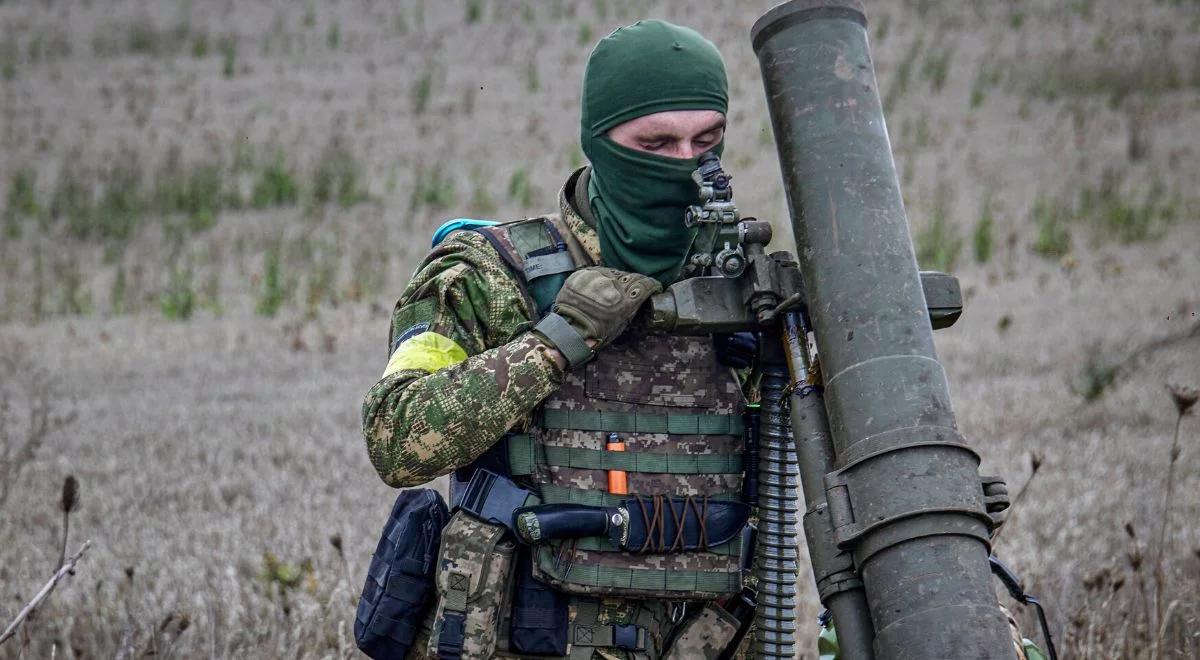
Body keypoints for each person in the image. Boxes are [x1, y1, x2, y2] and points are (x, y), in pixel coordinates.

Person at [362, 20, 754, 660]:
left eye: (706, 141)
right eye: (657, 144)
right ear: (600, 143)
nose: (686, 166)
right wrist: (555, 341)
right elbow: (396, 437)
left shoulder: (741, 285)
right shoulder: (490, 272)